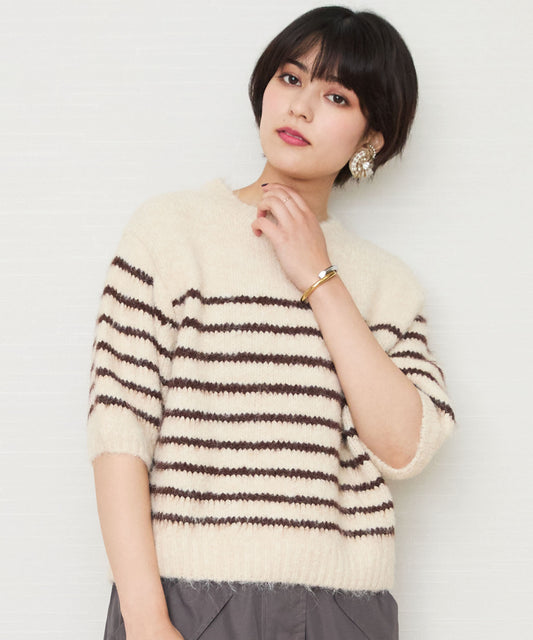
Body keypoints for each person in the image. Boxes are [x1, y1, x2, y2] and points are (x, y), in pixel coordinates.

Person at [88, 6, 456, 640]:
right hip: (187, 603)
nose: (300, 107)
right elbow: (118, 431)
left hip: (343, 610)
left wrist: (320, 277)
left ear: (371, 139)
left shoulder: (385, 283)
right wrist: (147, 621)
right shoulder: (170, 232)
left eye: (336, 96)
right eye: (290, 78)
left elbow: (406, 448)